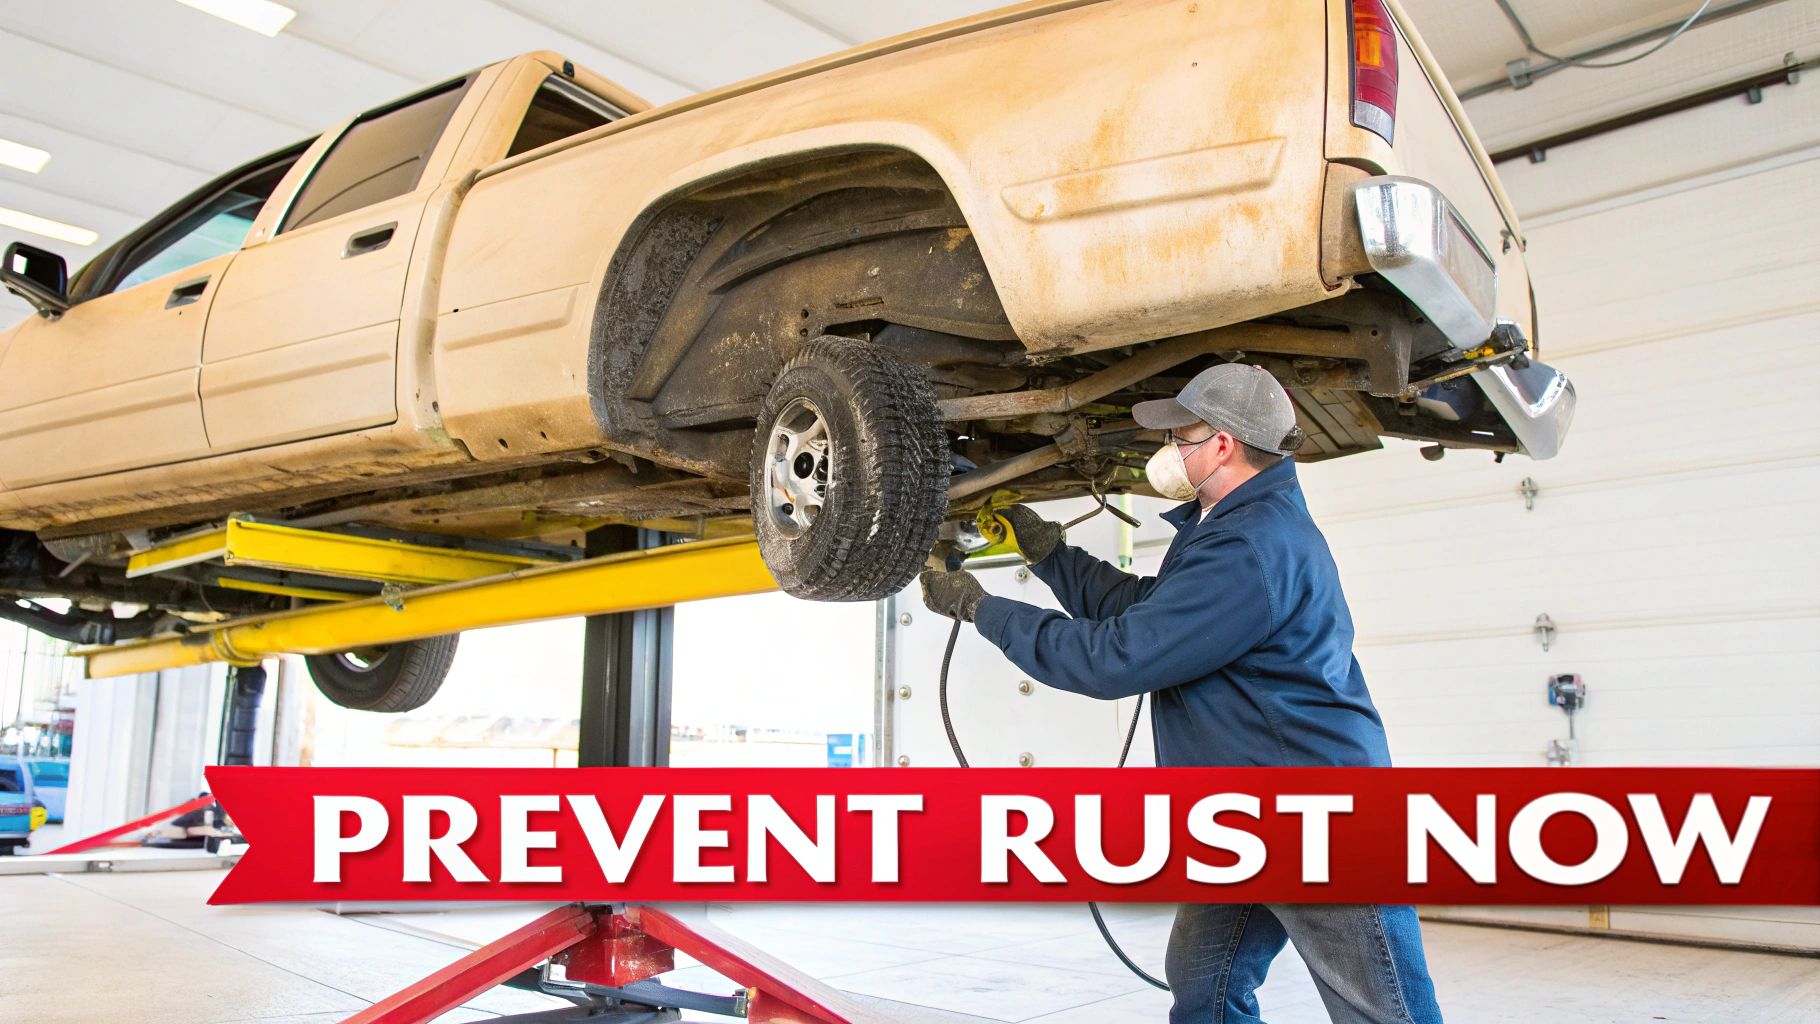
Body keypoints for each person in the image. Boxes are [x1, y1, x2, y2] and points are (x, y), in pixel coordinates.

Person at [919, 363, 1443, 1024]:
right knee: (1202, 982)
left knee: (1382, 1008)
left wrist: (983, 610)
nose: (1170, 449)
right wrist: (1051, 555)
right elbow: (1152, 612)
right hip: (1248, 814)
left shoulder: (1253, 546)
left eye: (1183, 434)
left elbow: (1119, 657)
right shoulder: (1228, 525)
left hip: (1317, 817)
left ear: (1222, 445)